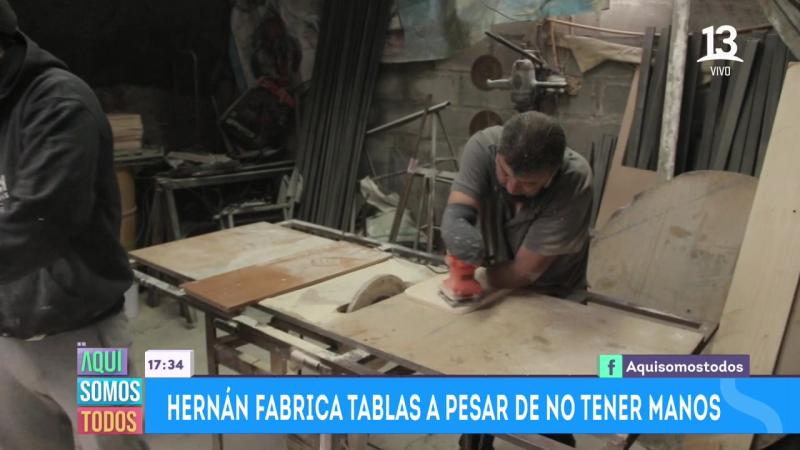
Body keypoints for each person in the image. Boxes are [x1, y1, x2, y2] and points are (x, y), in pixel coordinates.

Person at [0, 2, 146, 449]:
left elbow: (38, 224)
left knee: (113, 445)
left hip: (85, 331)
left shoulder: (59, 103)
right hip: (8, 333)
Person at [442, 111, 593, 449]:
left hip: (553, 296)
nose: (511, 187)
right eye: (505, 173)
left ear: (552, 174)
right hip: (495, 290)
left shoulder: (574, 180)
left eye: (528, 183)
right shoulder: (483, 146)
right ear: (499, 154)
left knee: (546, 401)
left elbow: (525, 272)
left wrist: (474, 275)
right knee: (480, 388)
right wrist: (456, 230)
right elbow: (458, 210)